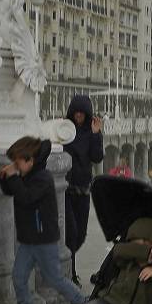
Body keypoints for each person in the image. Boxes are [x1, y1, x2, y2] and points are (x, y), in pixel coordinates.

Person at [0, 136, 85, 304]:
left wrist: (13, 177)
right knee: (19, 276)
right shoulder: (24, 175)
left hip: (44, 239)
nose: (15, 166)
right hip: (28, 240)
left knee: (54, 278)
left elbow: (27, 197)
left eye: (17, 162)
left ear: (29, 160)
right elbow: (10, 191)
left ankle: (83, 303)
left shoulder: (43, 178)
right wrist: (6, 178)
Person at [60, 95, 104, 285]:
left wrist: (96, 134)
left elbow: (96, 157)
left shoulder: (90, 133)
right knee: (71, 233)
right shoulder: (64, 131)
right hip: (67, 191)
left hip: (83, 191)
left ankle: (70, 270)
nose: (79, 115)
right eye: (76, 112)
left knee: (81, 235)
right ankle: (70, 274)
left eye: (82, 112)